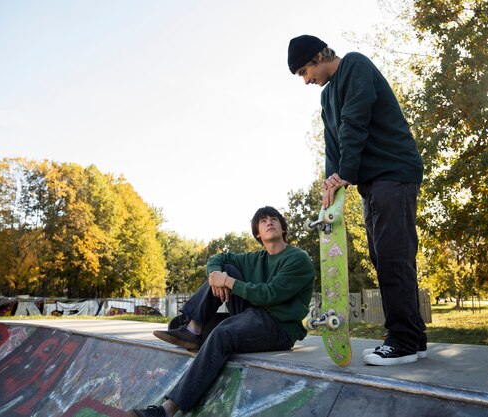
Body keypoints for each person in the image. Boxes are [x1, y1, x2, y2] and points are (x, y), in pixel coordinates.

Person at [287, 34, 427, 366]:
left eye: (306, 71)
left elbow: (355, 122)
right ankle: (412, 337)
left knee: (394, 257)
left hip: (394, 173)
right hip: (374, 183)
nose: (307, 80)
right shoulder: (326, 98)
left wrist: (345, 173)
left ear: (320, 56)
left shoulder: (355, 66)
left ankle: (403, 341)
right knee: (384, 257)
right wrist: (330, 185)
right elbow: (332, 147)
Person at [130, 206, 315, 417]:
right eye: (263, 221)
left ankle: (167, 410)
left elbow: (269, 294)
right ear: (258, 234)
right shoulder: (256, 258)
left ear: (283, 228)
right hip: (253, 315)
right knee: (221, 272)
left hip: (279, 326)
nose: (269, 222)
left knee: (222, 332)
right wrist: (216, 274)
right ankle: (194, 328)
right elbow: (218, 258)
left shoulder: (297, 258)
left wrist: (226, 281)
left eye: (274, 219)